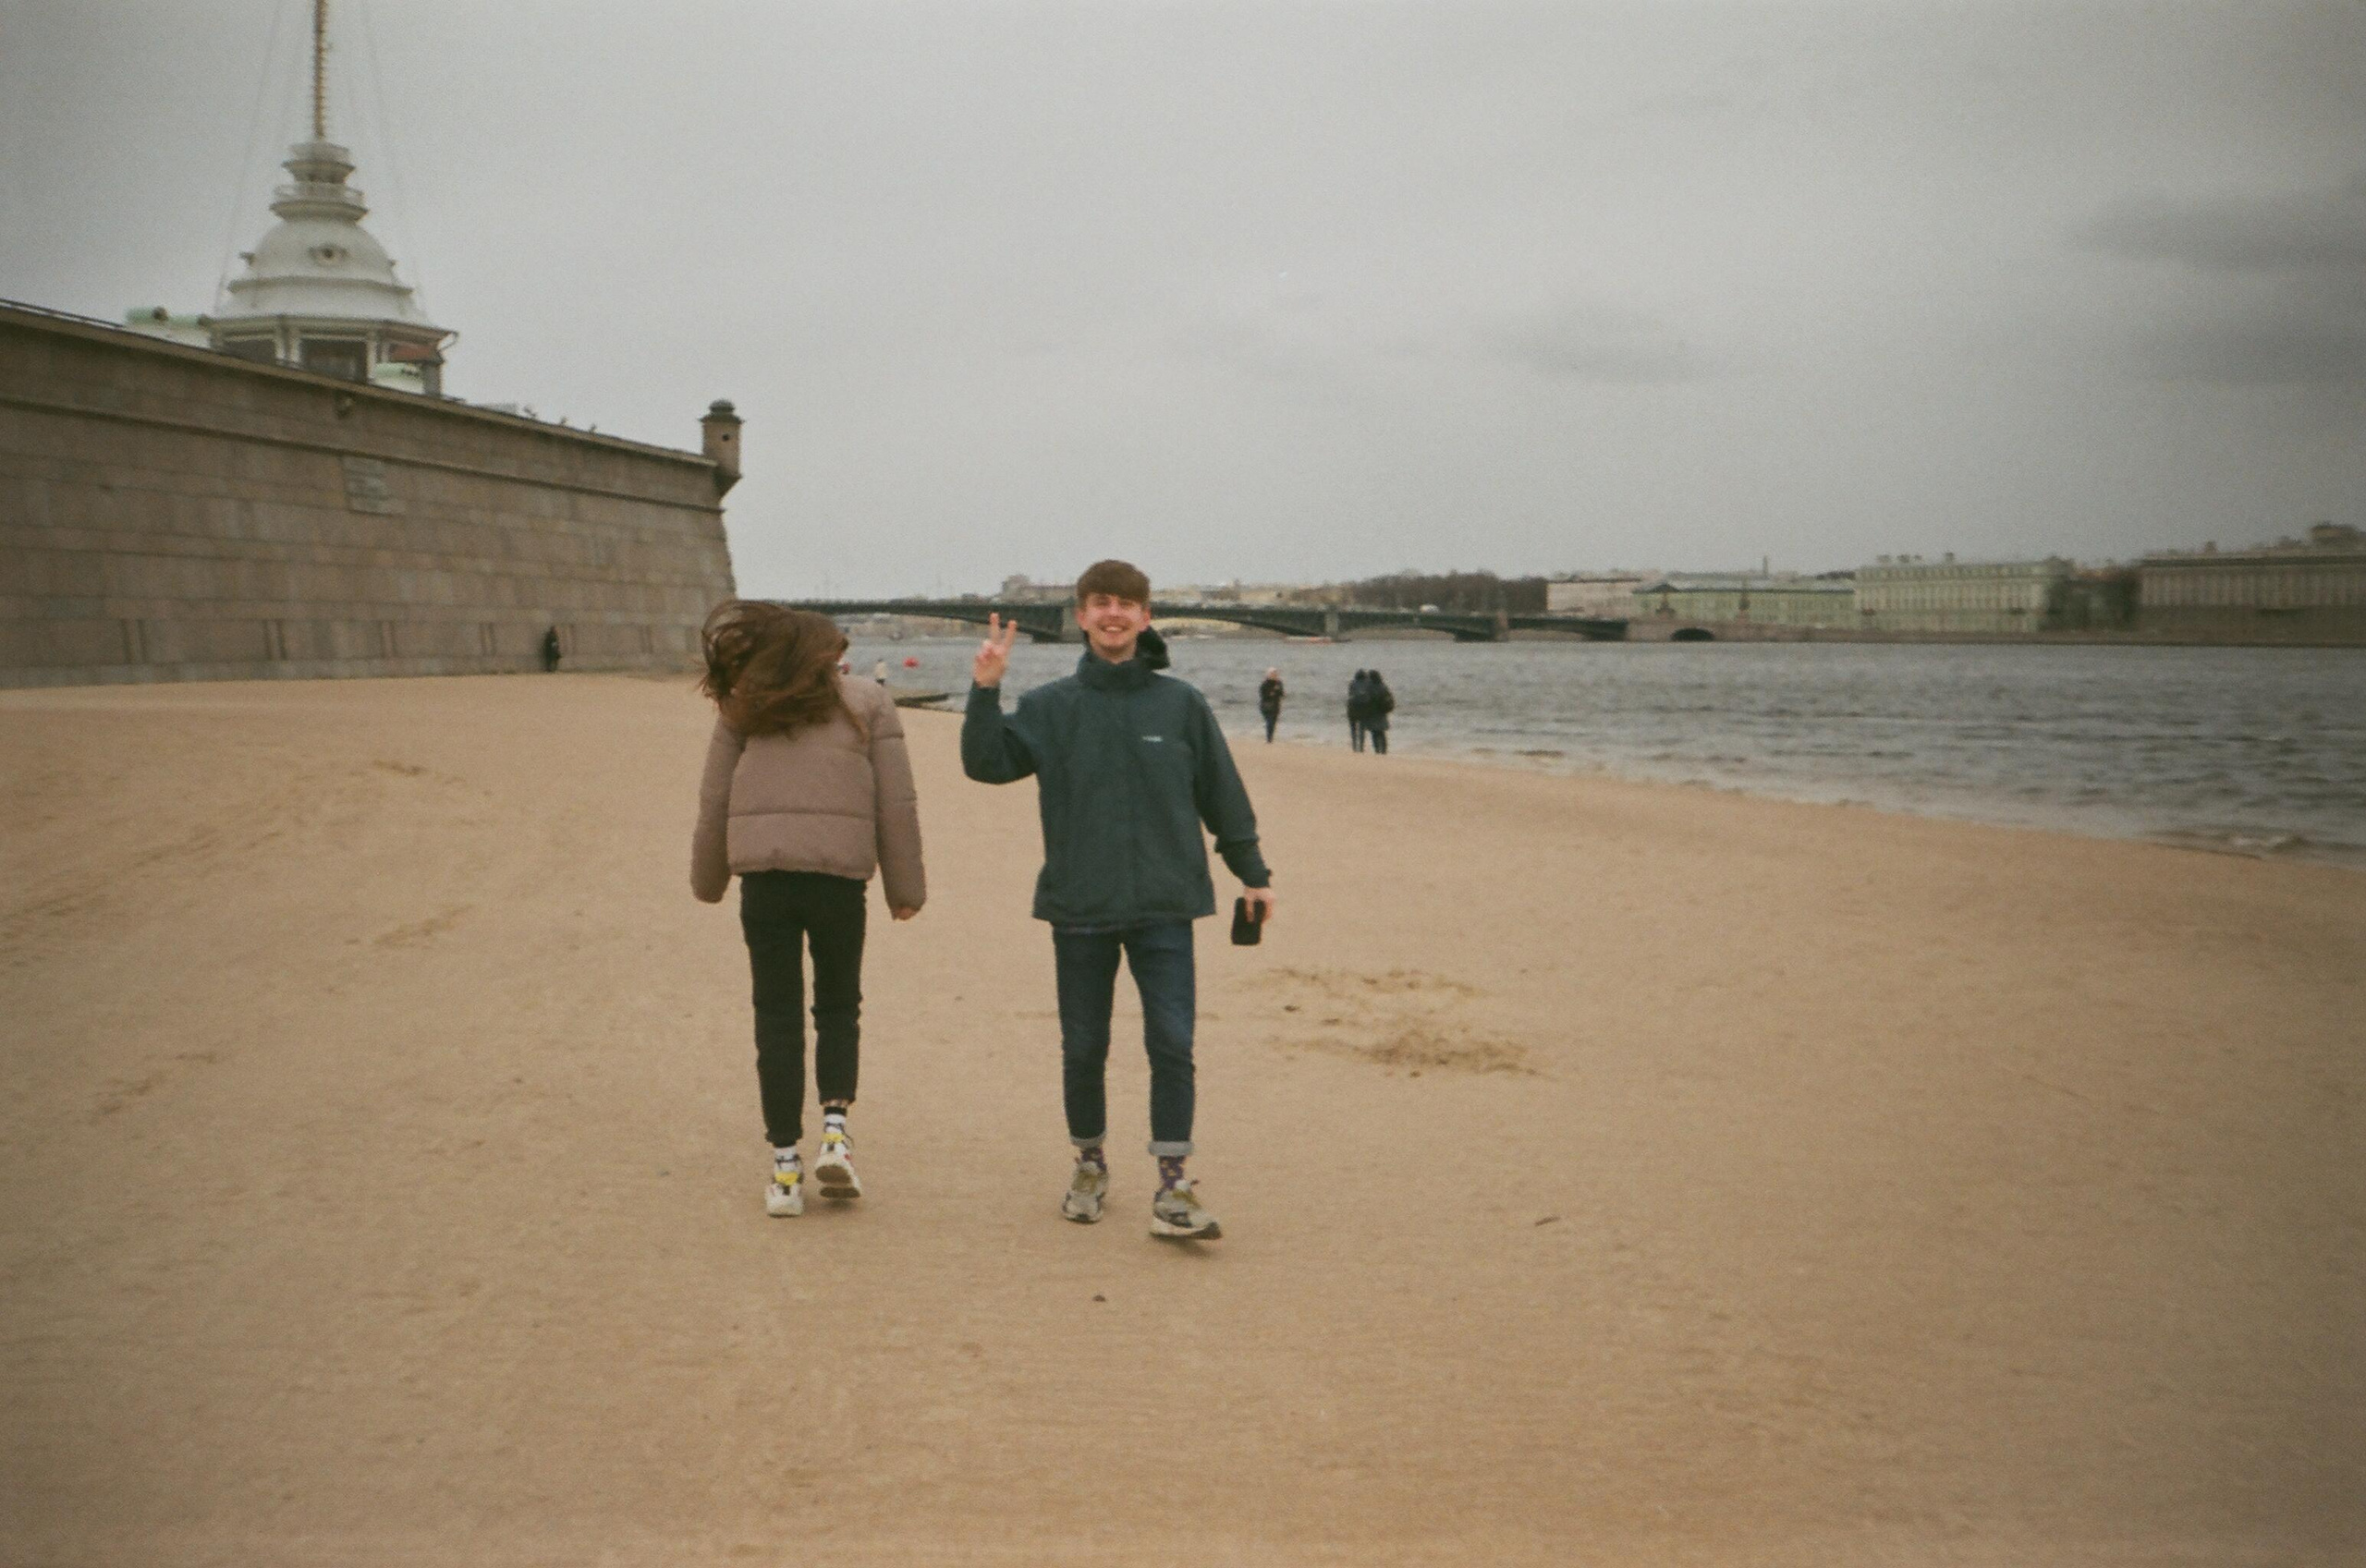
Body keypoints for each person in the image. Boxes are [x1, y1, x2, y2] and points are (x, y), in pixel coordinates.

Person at [961, 560, 1275, 1241]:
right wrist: (985, 691)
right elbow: (986, 764)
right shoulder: (1048, 707)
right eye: (1101, 603)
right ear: (1080, 616)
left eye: (1126, 604)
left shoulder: (1181, 703)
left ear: (1146, 616)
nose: (1113, 614)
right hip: (1081, 906)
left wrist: (1253, 873)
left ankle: (1173, 1185)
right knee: (1084, 1047)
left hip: (1167, 903)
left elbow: (1223, 795)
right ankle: (1090, 1164)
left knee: (1172, 1043)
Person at [690, 602, 926, 1219]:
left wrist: (708, 879)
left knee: (775, 1012)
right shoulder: (867, 702)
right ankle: (835, 1133)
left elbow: (714, 796)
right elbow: (896, 802)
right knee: (839, 1004)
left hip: (764, 881)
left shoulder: (745, 704)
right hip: (837, 881)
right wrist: (906, 889)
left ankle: (785, 1166)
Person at [1364, 668, 1395, 756]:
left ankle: (1377, 750)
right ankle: (1384, 750)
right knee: (1382, 732)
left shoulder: (1369, 687)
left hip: (1373, 712)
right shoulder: (1383, 686)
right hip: (1382, 712)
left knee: (1374, 733)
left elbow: (1367, 699)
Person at [1346, 669, 1372, 752]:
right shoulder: (1368, 684)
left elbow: (1350, 694)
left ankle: (1354, 746)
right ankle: (1361, 747)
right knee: (1362, 730)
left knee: (1353, 729)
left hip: (1352, 709)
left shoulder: (1352, 683)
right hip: (1363, 709)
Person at [1258, 667, 1286, 743]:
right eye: (1272, 674)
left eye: (1275, 674)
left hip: (1276, 706)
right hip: (1266, 706)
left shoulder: (1279, 683)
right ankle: (1269, 740)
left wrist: (1277, 691)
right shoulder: (1265, 684)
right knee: (1269, 722)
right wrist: (1273, 692)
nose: (1274, 675)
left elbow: (1282, 694)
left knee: (1273, 723)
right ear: (1268, 675)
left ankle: (1270, 738)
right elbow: (1264, 695)